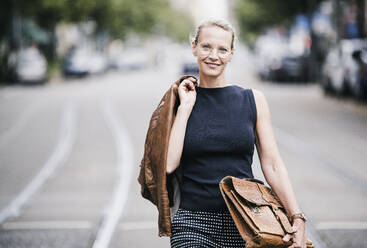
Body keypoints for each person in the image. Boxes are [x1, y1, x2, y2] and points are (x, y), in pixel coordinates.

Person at [166, 19, 307, 248]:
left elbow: (272, 165)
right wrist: (184, 108)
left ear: (231, 54)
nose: (214, 55)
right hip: (192, 222)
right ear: (194, 48)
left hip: (247, 223)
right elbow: (168, 165)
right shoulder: (180, 100)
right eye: (206, 47)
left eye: (222, 49)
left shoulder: (253, 100)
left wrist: (297, 217)